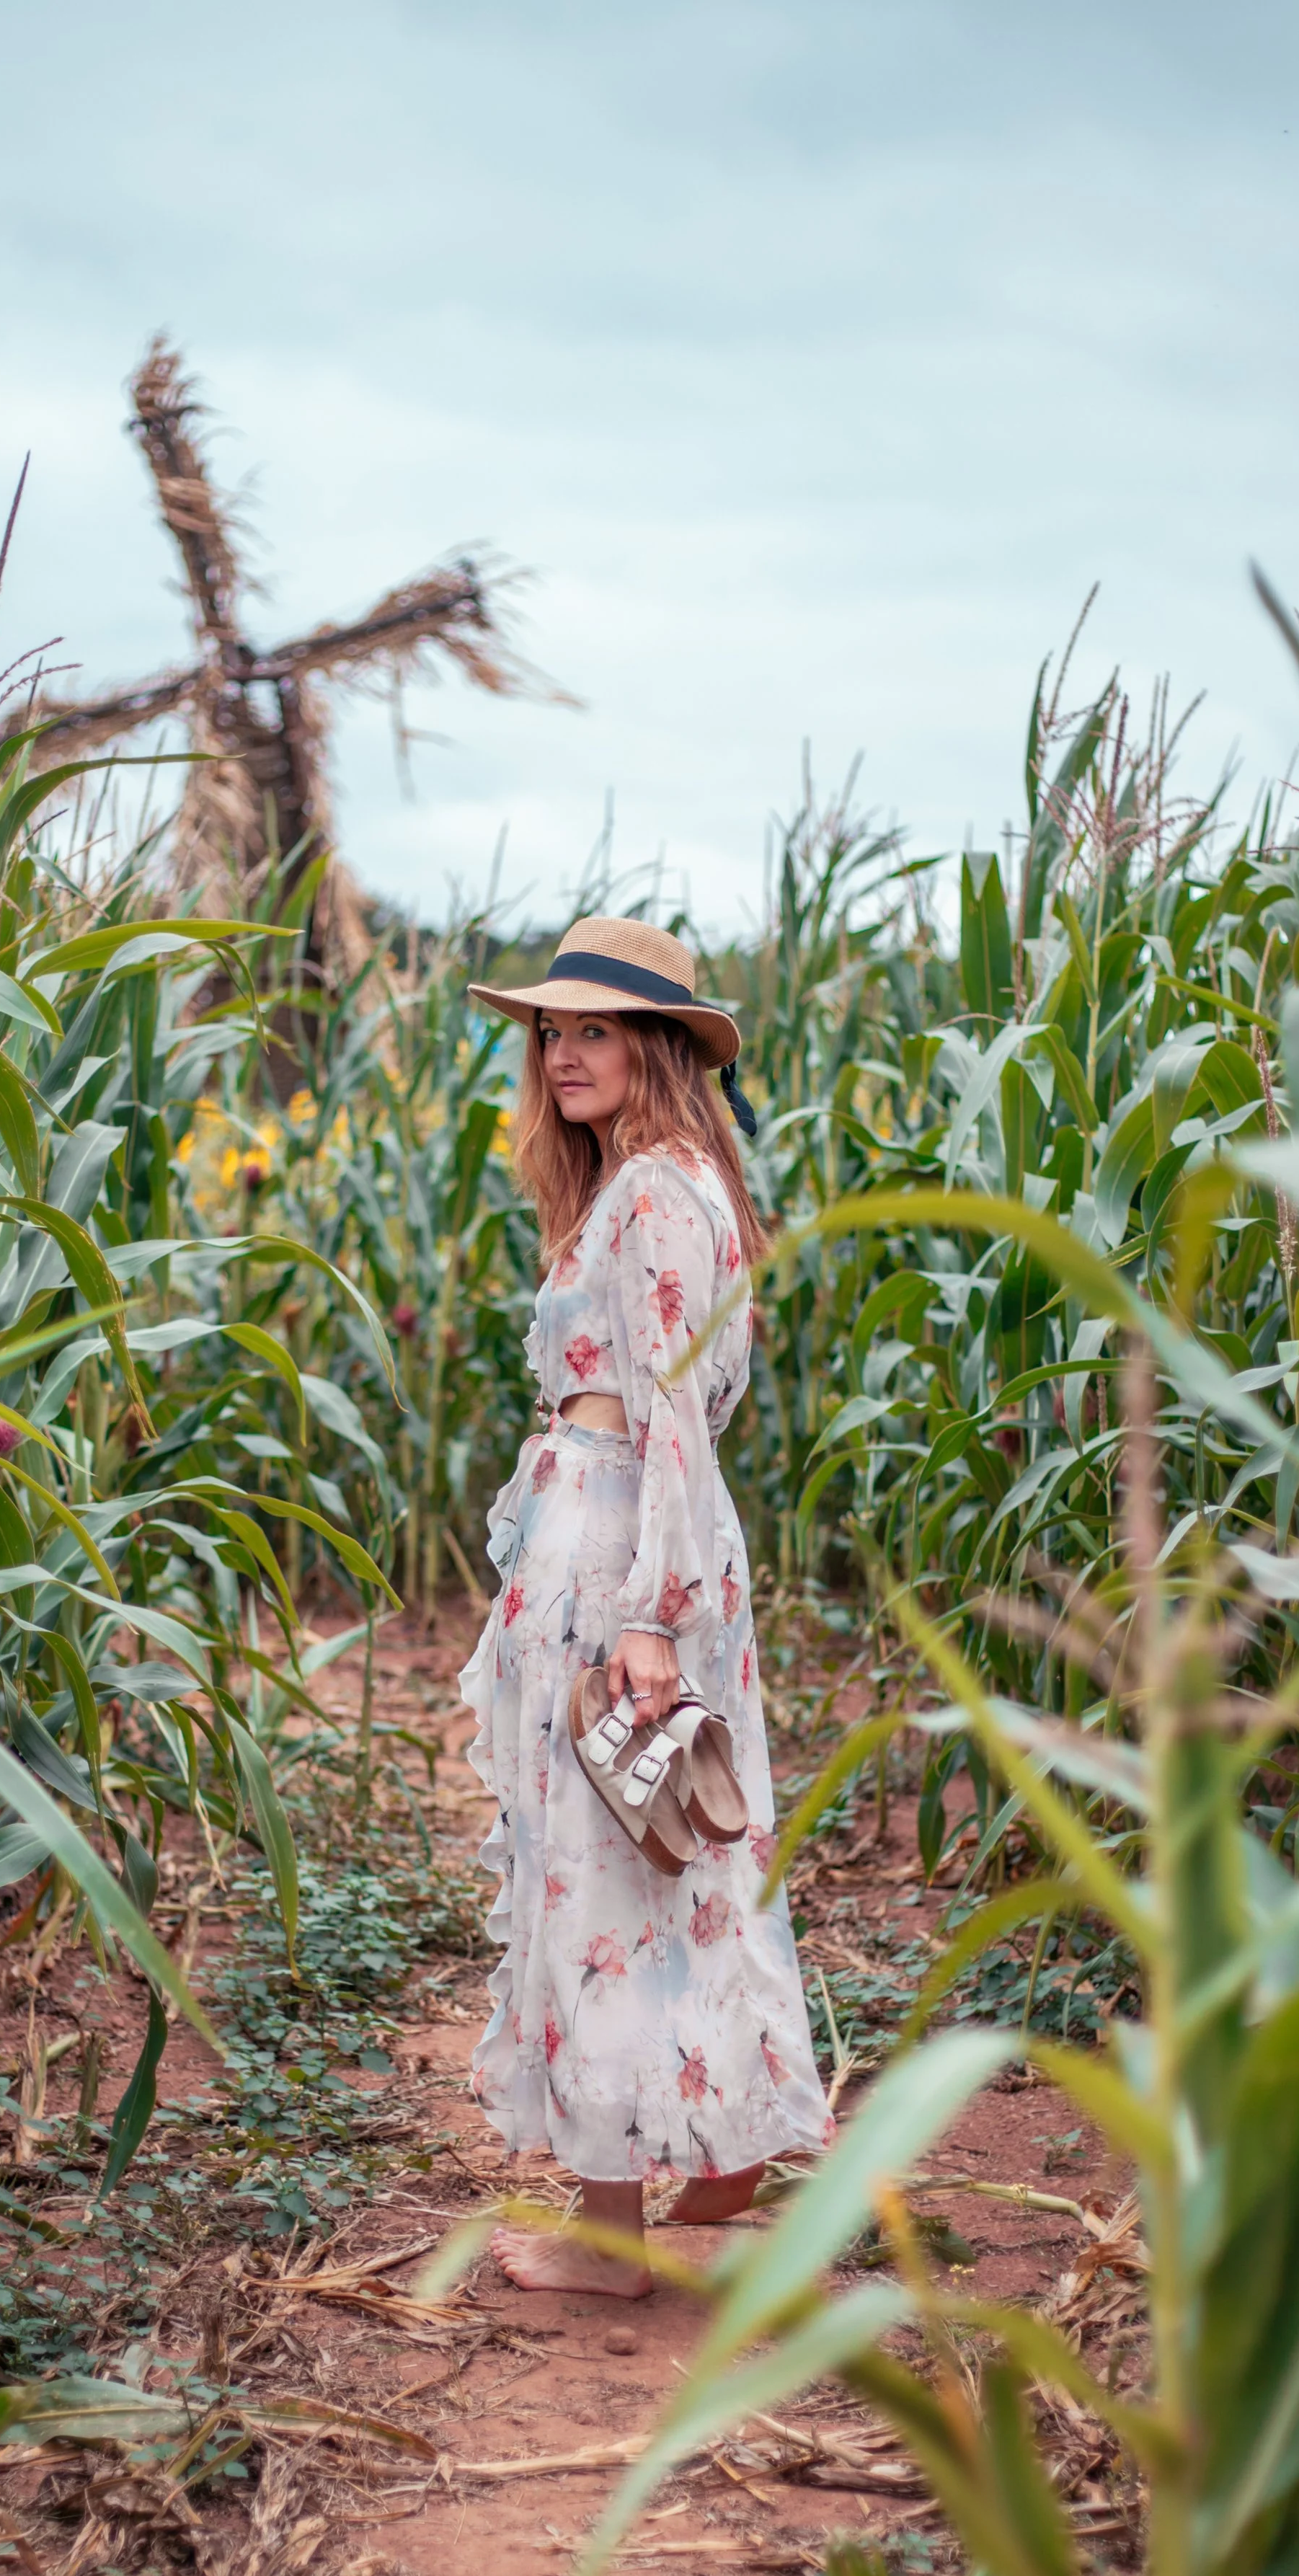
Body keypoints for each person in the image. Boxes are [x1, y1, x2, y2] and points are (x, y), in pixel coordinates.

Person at [458, 917, 834, 2298]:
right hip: (624, 1529)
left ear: (657, 1047)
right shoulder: (646, 1184)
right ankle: (725, 2149)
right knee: (670, 1842)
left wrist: (648, 1614)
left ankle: (613, 2231)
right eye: (551, 1030)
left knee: (606, 1864)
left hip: (628, 1539)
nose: (561, 1053)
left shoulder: (662, 1191)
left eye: (594, 1030)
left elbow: (672, 1405)